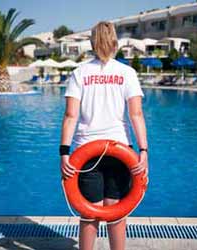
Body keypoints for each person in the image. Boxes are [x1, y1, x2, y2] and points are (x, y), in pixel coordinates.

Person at [59, 21, 148, 250]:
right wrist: (143, 151)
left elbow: (70, 116)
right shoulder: (127, 73)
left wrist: (64, 154)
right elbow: (136, 114)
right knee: (115, 209)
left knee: (90, 211)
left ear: (91, 42)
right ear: (115, 42)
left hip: (86, 152)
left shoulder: (79, 73)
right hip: (120, 151)